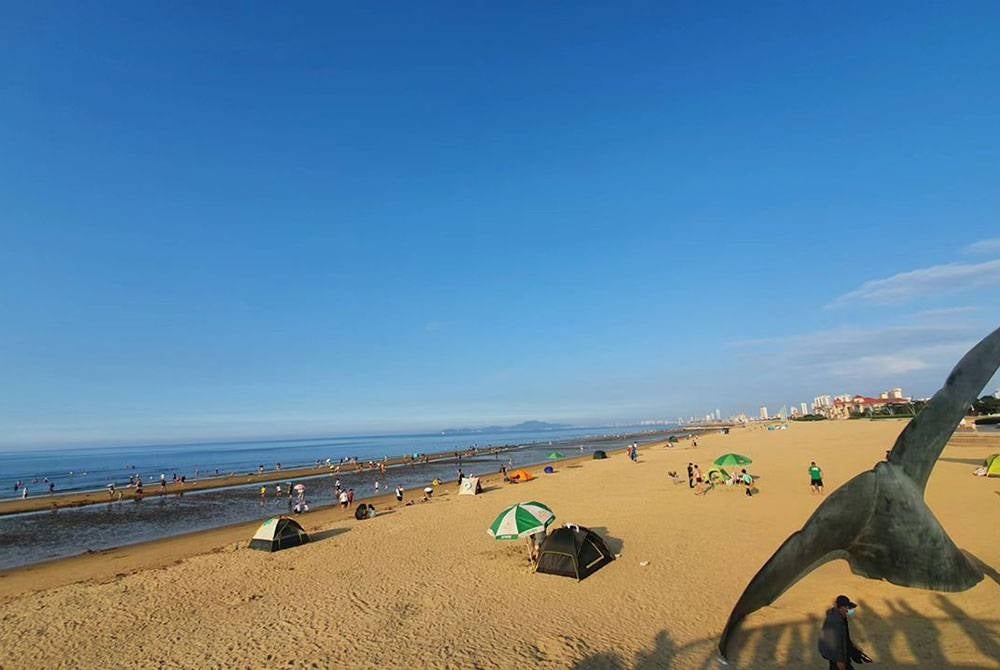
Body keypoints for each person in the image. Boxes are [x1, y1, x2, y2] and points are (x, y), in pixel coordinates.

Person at [818, 595, 873, 669]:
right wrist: (840, 661)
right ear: (842, 608)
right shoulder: (837, 622)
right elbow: (837, 643)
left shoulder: (839, 616)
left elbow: (844, 637)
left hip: (834, 654)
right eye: (848, 607)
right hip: (835, 655)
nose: (850, 610)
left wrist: (852, 646)